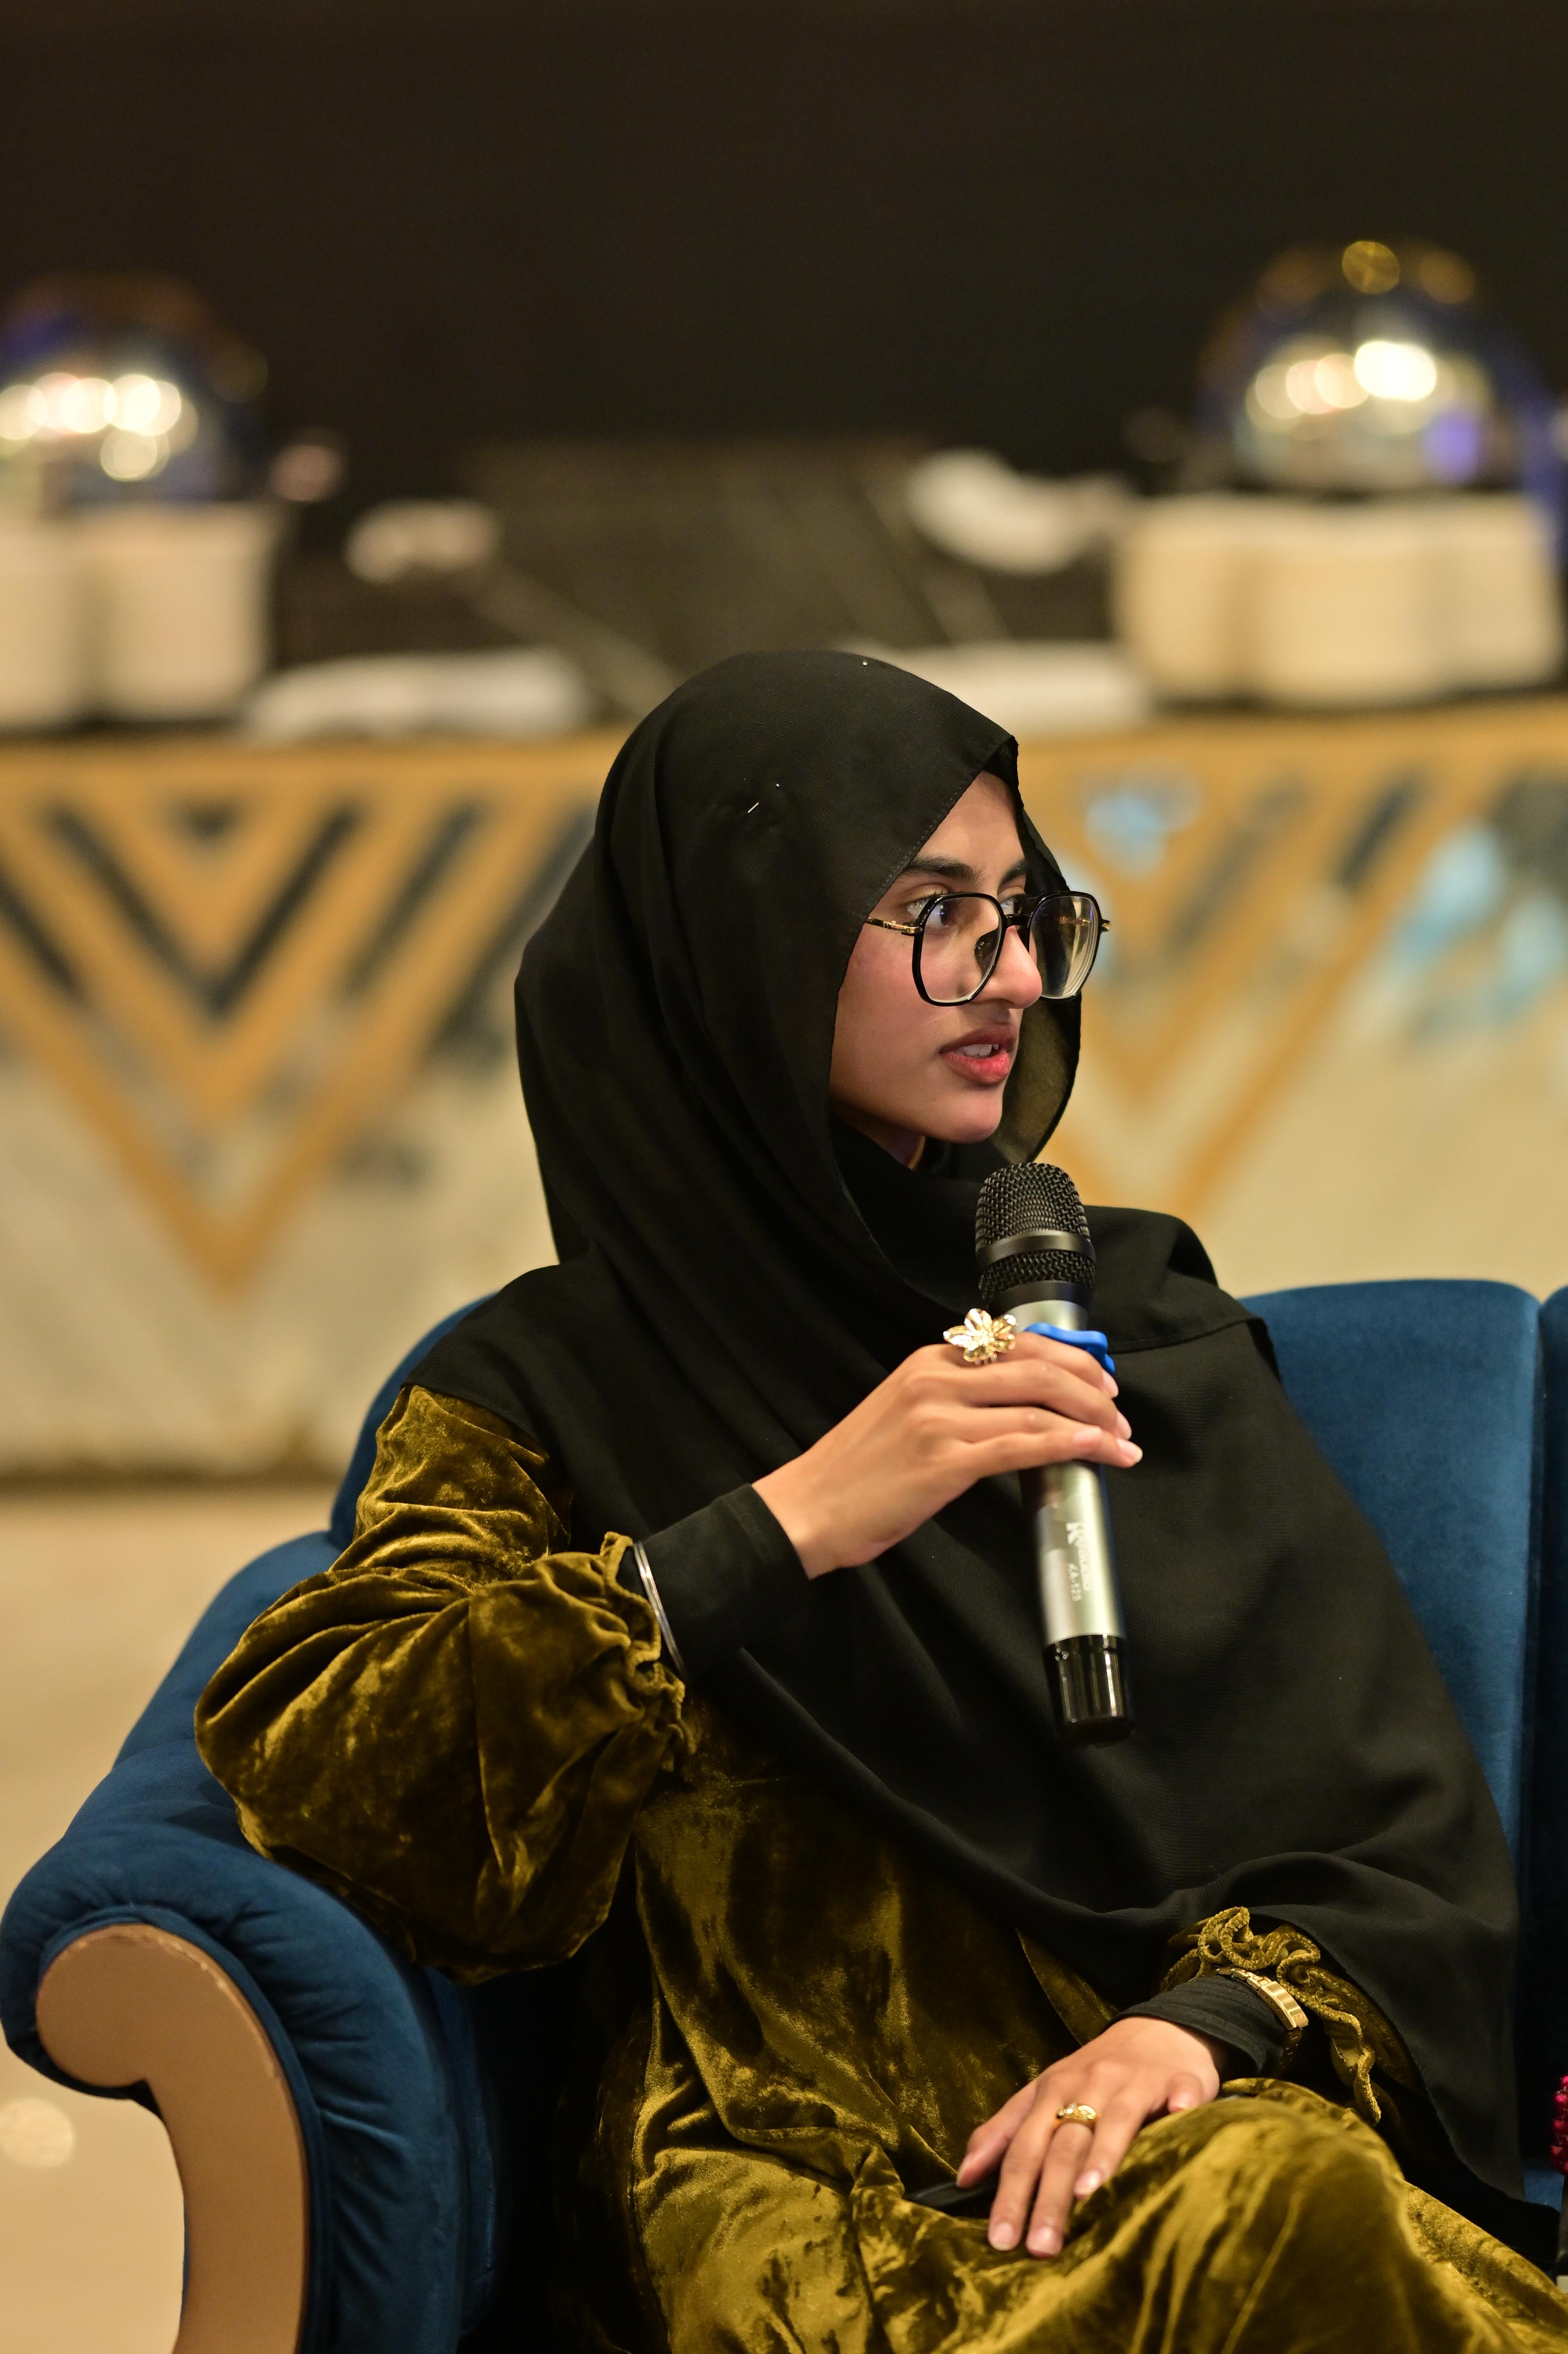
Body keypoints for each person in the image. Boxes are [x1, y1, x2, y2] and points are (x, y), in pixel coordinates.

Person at [197, 651, 1568, 2350]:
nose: (1005, 972)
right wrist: (784, 1524)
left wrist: (1201, 2025)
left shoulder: (1122, 1320)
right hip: (785, 2173)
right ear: (742, 945)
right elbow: (340, 1767)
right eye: (934, 913)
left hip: (1160, 2113)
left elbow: (1384, 1824)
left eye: (1025, 913)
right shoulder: (542, 1388)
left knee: (1287, 2202)